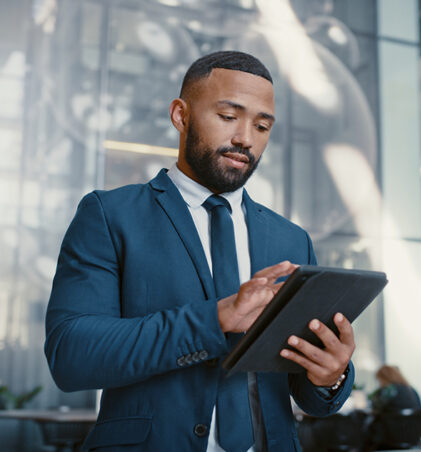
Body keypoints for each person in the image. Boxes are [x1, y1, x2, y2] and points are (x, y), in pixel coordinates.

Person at [44, 50, 356, 452]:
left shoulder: (292, 240)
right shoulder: (110, 214)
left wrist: (330, 374)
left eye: (262, 126)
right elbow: (72, 355)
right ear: (180, 115)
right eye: (229, 117)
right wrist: (217, 318)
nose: (246, 138)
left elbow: (308, 393)